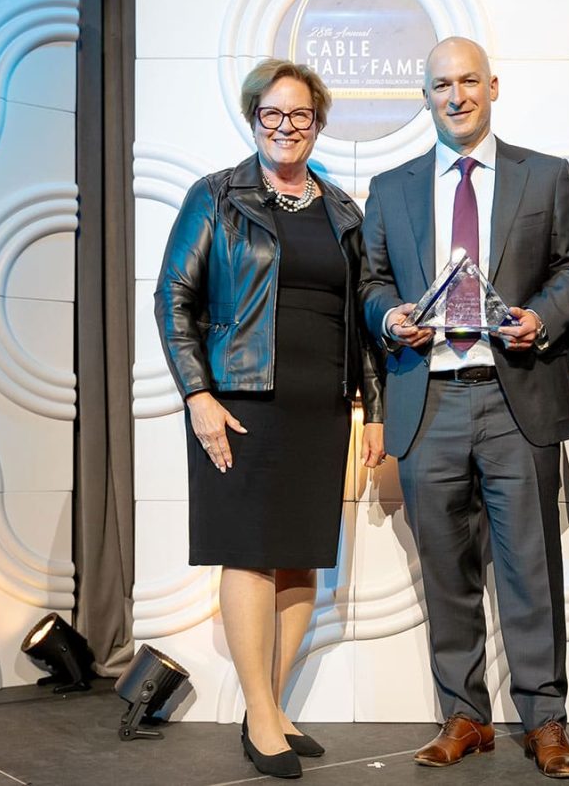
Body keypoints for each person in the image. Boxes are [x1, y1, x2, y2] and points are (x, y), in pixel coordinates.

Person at [359, 37, 569, 779]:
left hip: (512, 393)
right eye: (439, 85)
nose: (455, 96)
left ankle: (544, 719)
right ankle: (464, 714)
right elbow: (368, 282)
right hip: (428, 400)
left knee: (531, 567)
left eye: (467, 81)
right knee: (445, 570)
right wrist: (389, 316)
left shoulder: (545, 176)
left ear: (493, 86)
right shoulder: (390, 188)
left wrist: (543, 316)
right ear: (423, 96)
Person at [154, 59, 384, 780]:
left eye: (301, 116)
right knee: (250, 554)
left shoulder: (345, 210)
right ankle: (259, 714)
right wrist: (198, 393)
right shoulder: (216, 196)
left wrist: (372, 408)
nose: (286, 128)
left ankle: (275, 706)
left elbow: (363, 321)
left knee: (299, 560)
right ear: (253, 118)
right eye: (272, 115)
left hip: (322, 409)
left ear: (318, 123)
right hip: (242, 404)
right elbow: (173, 298)